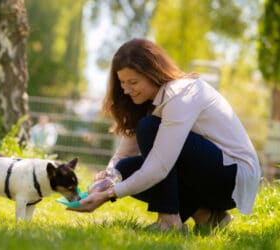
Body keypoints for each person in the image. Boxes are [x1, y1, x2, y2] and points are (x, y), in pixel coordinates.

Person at [68, 38, 261, 232]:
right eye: (122, 83)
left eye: (133, 82)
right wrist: (106, 180)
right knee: (124, 168)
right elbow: (124, 154)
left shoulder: (180, 93)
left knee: (148, 128)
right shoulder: (146, 101)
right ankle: (208, 217)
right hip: (207, 176)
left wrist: (109, 194)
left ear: (152, 74)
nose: (126, 90)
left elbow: (159, 167)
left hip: (232, 177)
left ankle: (169, 222)